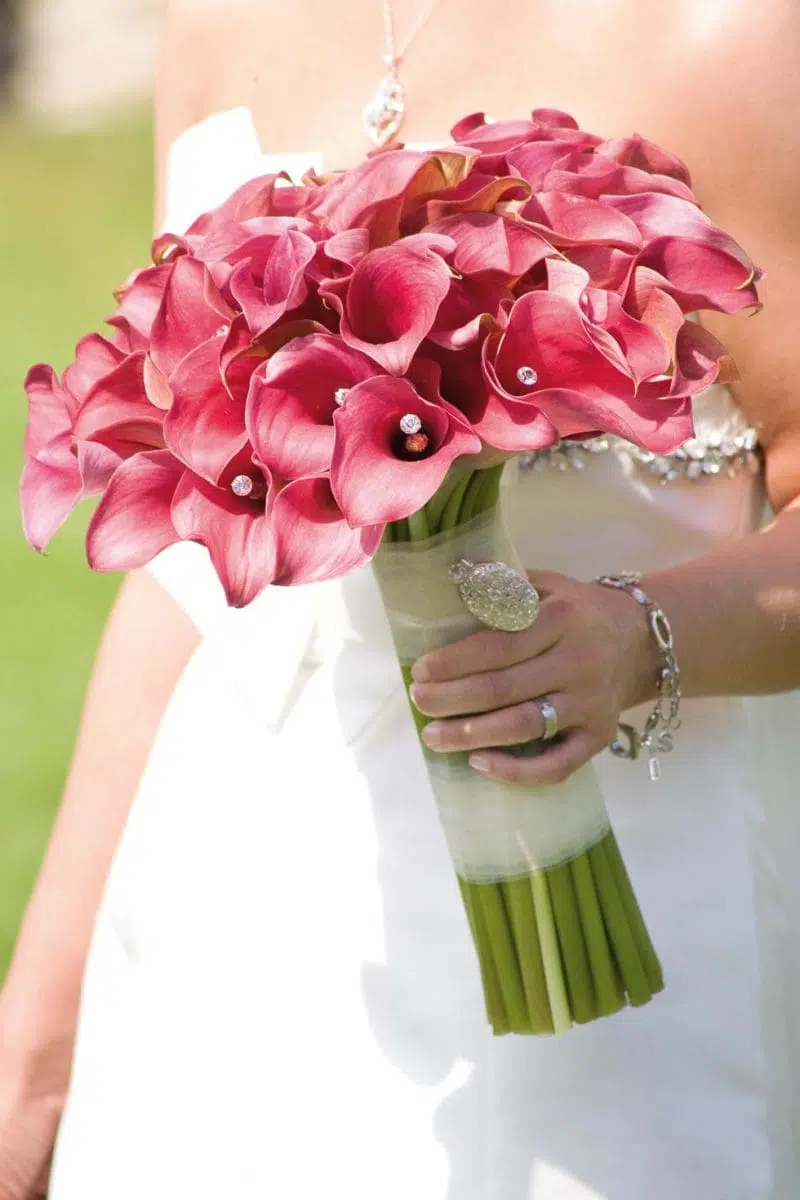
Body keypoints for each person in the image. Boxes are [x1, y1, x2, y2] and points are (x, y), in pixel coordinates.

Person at [2, 0, 800, 1195]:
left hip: (619, 955)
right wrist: (44, 1025)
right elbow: (188, 578)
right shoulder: (217, 19)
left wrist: (642, 636)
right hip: (218, 923)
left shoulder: (735, 35)